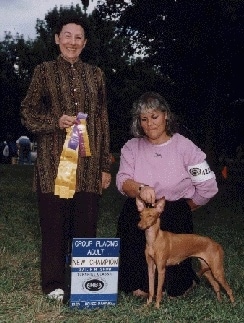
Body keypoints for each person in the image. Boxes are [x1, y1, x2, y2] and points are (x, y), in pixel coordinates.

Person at [20, 15, 111, 301]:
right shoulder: (43, 71)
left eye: (78, 37)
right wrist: (54, 122)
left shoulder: (96, 74)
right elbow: (27, 112)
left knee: (85, 224)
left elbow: (102, 119)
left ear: (85, 43)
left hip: (88, 165)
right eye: (67, 36)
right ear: (57, 39)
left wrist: (105, 166)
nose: (72, 42)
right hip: (53, 163)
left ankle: (85, 284)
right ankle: (54, 284)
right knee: (54, 226)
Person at [116, 91, 218, 298]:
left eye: (154, 117)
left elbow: (208, 185)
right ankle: (137, 284)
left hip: (173, 210)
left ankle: (179, 282)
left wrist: (188, 206)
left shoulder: (186, 147)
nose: (149, 124)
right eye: (143, 119)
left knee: (176, 289)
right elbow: (122, 181)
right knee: (131, 218)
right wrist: (141, 189)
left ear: (166, 116)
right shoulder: (131, 147)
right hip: (141, 210)